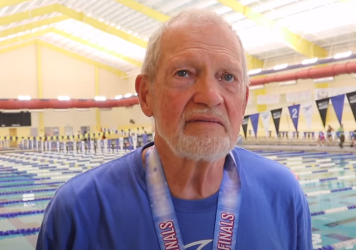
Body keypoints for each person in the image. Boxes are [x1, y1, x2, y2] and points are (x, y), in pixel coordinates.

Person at [36, 10, 312, 250]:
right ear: (146, 95)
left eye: (228, 77)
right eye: (184, 73)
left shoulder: (285, 194)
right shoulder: (79, 210)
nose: (210, 96)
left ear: (243, 100)